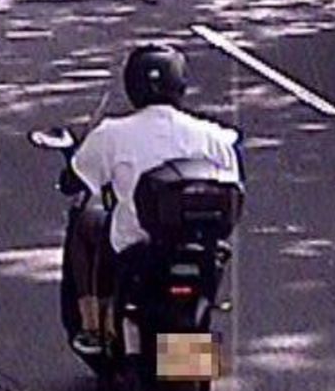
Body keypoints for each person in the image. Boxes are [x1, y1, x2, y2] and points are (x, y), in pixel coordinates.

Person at [67, 44, 241, 355]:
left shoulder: (112, 134)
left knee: (83, 223)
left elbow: (77, 179)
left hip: (135, 248)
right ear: (180, 85)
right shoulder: (214, 136)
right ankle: (188, 358)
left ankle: (92, 325)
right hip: (201, 251)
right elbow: (234, 185)